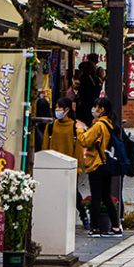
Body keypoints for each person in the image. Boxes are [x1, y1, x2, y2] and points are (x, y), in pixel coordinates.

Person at [76, 97, 122, 237]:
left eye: (96, 107)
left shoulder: (99, 125)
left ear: (102, 109)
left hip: (96, 164)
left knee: (96, 197)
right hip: (106, 163)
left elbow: (84, 140)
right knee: (106, 196)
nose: (94, 110)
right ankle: (115, 227)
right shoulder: (108, 124)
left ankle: (95, 228)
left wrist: (79, 129)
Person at [44, 97, 90, 229]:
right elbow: (45, 147)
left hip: (70, 166)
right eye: (56, 107)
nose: (56, 110)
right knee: (55, 192)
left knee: (72, 193)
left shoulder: (75, 127)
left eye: (59, 107)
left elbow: (79, 150)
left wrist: (78, 168)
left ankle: (83, 215)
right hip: (53, 166)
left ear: (67, 109)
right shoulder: (51, 126)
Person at [75, 58, 101, 126]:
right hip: (93, 102)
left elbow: (83, 90)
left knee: (83, 121)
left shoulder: (84, 77)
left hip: (85, 104)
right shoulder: (96, 78)